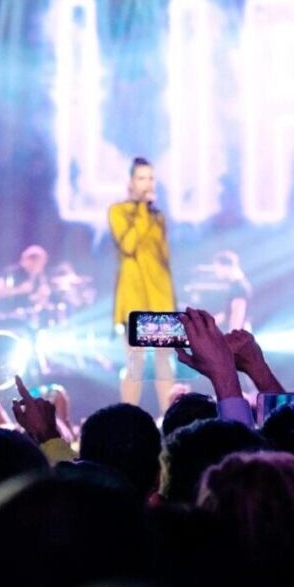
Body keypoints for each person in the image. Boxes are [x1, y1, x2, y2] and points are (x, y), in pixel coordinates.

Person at [108, 158, 176, 408]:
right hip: (133, 299)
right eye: (141, 178)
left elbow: (164, 259)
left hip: (161, 299)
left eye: (151, 178)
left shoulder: (158, 217)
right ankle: (129, 415)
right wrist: (141, 212)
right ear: (130, 182)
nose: (147, 184)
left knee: (164, 362)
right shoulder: (118, 211)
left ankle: (169, 417)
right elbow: (128, 245)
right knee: (135, 361)